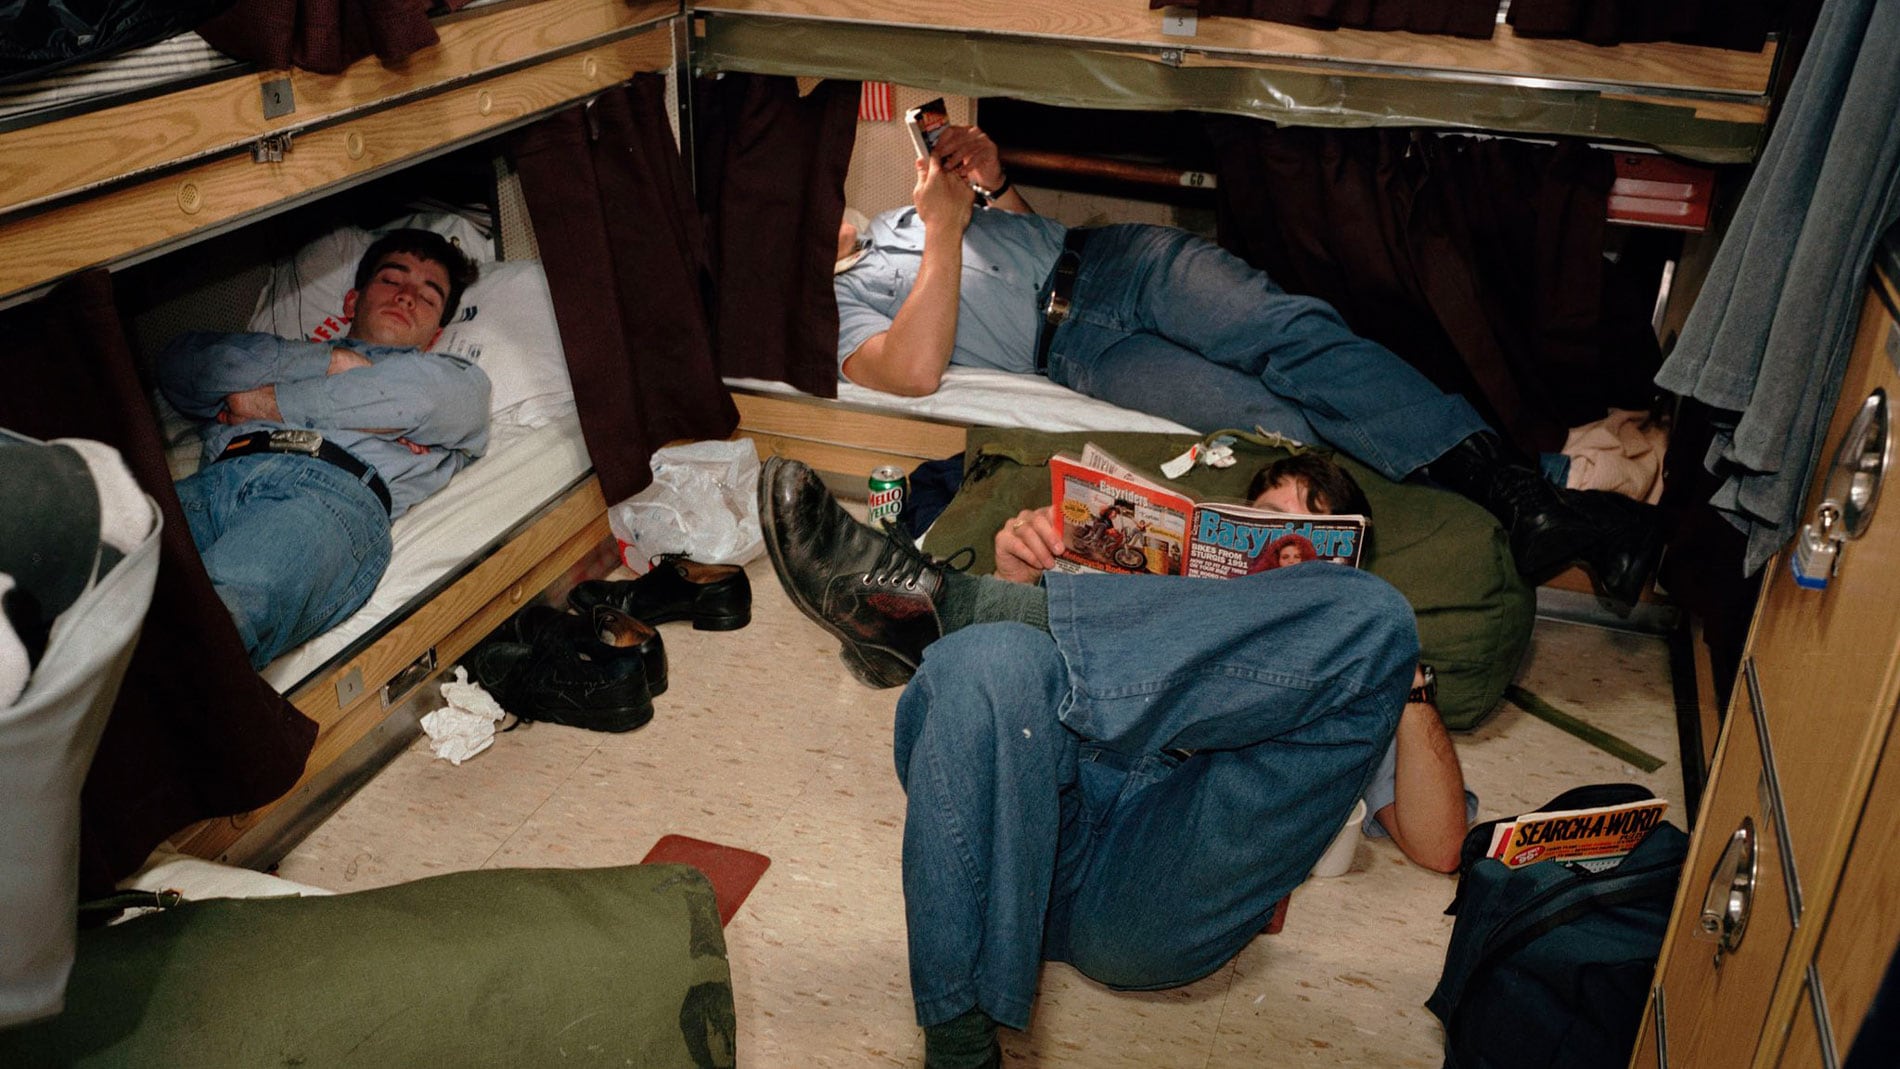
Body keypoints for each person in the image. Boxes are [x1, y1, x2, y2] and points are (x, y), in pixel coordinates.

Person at [758, 455, 1472, 1069]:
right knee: (989, 656)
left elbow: (1441, 845)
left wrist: (1397, 672)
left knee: (1378, 618)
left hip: (1162, 882)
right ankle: (958, 1049)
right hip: (1034, 826)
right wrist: (1032, 578)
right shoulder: (1135, 605)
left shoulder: (1352, 683)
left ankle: (962, 605)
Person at [832, 124, 1663, 607]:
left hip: (1117, 261)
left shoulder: (895, 219)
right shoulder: (828, 313)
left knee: (1298, 336)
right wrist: (943, 230)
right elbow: (910, 369)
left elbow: (1023, 237)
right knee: (1288, 427)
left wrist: (993, 181)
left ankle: (1529, 491)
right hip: (1085, 349)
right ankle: (1544, 495)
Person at [158, 229, 489, 668]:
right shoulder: (288, 354)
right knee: (89, 589)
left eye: (428, 297)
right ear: (353, 302)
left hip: (325, 496)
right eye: (392, 280)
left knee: (213, 621)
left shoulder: (452, 374)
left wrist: (266, 401)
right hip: (212, 481)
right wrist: (327, 362)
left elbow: (422, 400)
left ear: (435, 334)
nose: (408, 296)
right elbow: (182, 365)